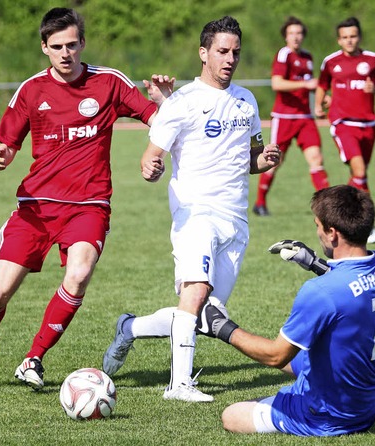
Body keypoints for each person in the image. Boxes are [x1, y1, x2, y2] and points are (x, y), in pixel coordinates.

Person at [0, 7, 173, 391]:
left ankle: (33, 358)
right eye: (56, 46)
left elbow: (157, 118)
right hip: (36, 206)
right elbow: (7, 146)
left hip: (89, 204)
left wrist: (155, 150)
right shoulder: (31, 89)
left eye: (72, 45)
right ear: (44, 47)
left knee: (77, 276)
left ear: (82, 44)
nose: (65, 53)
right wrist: (1, 157)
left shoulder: (108, 82)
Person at [102, 16, 281, 402]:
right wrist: (151, 167)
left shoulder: (247, 101)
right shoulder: (182, 102)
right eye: (221, 51)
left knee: (204, 313)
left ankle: (130, 328)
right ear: (204, 53)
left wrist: (265, 160)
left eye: (235, 52)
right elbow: (152, 156)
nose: (229, 59)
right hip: (195, 212)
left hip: (236, 218)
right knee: (197, 291)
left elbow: (249, 159)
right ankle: (179, 385)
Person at [200, 185, 375, 437]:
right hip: (366, 402)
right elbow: (349, 286)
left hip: (327, 415)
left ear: (332, 233)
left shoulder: (320, 292)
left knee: (232, 415)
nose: (317, 232)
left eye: (317, 225)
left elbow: (275, 356)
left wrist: (221, 327)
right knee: (305, 358)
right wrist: (315, 263)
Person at [314, 17, 375, 244]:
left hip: (368, 125)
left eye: (353, 36)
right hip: (342, 123)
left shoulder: (374, 60)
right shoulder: (330, 62)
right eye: (345, 37)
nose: (349, 41)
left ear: (359, 37)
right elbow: (321, 85)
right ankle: (368, 225)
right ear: (339, 40)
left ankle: (344, 212)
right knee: (359, 170)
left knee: (359, 175)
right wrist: (318, 105)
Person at [252, 16, 329, 217]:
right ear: (286, 37)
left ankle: (326, 206)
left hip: (305, 117)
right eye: (291, 33)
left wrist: (322, 99)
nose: (296, 37)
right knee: (274, 161)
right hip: (284, 118)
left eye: (299, 33)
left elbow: (311, 86)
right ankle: (260, 203)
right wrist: (305, 85)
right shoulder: (283, 55)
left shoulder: (308, 57)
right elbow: (277, 83)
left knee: (316, 158)